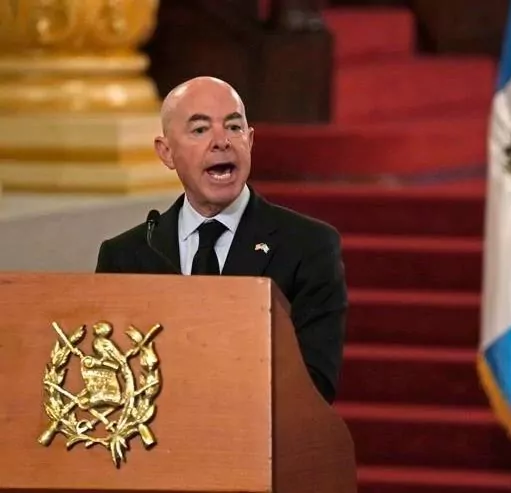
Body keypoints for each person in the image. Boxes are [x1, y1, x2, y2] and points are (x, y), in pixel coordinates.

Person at [95, 76, 347, 404]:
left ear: (250, 141)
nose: (221, 141)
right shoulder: (126, 255)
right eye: (200, 129)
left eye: (233, 127)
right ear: (166, 152)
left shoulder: (308, 246)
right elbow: (111, 378)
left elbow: (316, 384)